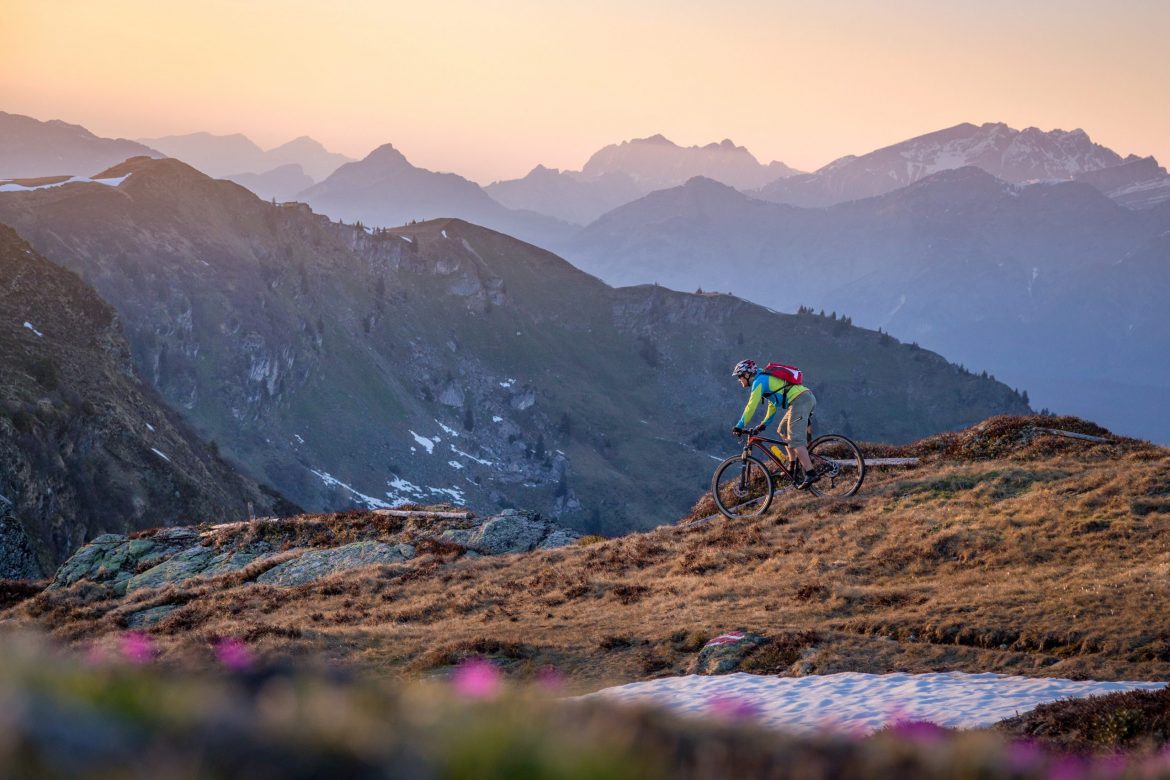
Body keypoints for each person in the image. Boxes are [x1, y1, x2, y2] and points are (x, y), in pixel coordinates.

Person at [731, 359, 820, 489]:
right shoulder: (764, 378)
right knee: (783, 430)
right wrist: (764, 424)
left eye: (739, 376)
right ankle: (792, 466)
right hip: (802, 399)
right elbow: (772, 405)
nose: (739, 380)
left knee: (795, 439)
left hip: (801, 401)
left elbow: (751, 406)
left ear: (746, 374)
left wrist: (739, 425)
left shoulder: (759, 381)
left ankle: (810, 473)